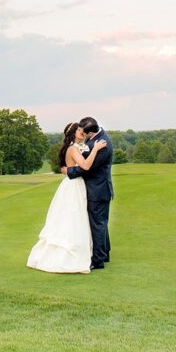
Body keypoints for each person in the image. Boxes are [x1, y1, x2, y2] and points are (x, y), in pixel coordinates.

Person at [26, 122, 108, 274]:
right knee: (73, 216)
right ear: (72, 133)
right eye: (78, 129)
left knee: (76, 216)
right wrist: (95, 149)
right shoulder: (73, 148)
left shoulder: (76, 147)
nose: (82, 131)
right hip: (73, 186)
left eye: (82, 129)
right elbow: (85, 166)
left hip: (75, 184)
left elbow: (73, 167)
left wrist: (70, 168)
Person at [63, 116, 113, 270]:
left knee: (97, 224)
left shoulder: (100, 144)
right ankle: (104, 254)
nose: (83, 135)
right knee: (101, 223)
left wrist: (69, 170)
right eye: (79, 131)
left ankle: (98, 260)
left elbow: (87, 167)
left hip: (97, 190)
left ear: (90, 131)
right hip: (97, 189)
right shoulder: (97, 139)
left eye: (84, 132)